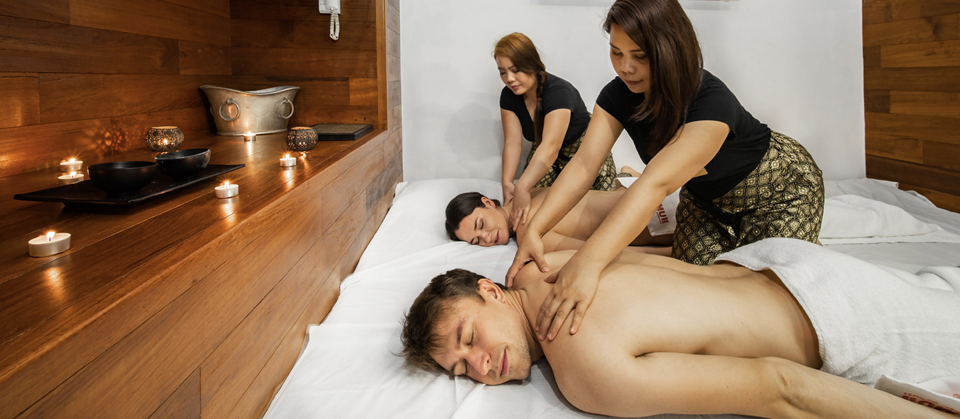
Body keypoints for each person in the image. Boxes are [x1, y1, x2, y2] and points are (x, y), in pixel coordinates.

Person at [507, 0, 824, 341]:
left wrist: (588, 262)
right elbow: (583, 166)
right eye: (616, 52)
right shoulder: (617, 95)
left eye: (640, 56)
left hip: (779, 191)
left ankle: (805, 248)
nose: (626, 67)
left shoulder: (710, 101)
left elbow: (654, 184)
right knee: (690, 290)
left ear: (670, 49)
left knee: (766, 301)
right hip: (707, 204)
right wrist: (535, 229)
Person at [400, 239, 960, 419]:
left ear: (490, 290)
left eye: (469, 338)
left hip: (835, 317)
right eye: (462, 369)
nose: (480, 366)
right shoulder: (541, 264)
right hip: (778, 262)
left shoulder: (584, 371)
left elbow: (778, 386)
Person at [493, 33, 619, 230]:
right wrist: (508, 183)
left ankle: (627, 174)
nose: (509, 79)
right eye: (502, 72)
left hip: (582, 150)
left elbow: (552, 146)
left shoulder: (558, 91)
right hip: (544, 150)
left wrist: (522, 186)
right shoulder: (508, 96)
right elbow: (512, 142)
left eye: (515, 70)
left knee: (598, 206)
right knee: (532, 205)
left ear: (532, 63)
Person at [444, 189, 672, 253]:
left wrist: (672, 254)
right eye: (476, 241)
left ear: (488, 202)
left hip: (660, 220)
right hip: (653, 191)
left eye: (481, 225)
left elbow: (597, 252)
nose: (486, 238)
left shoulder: (527, 233)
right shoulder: (527, 192)